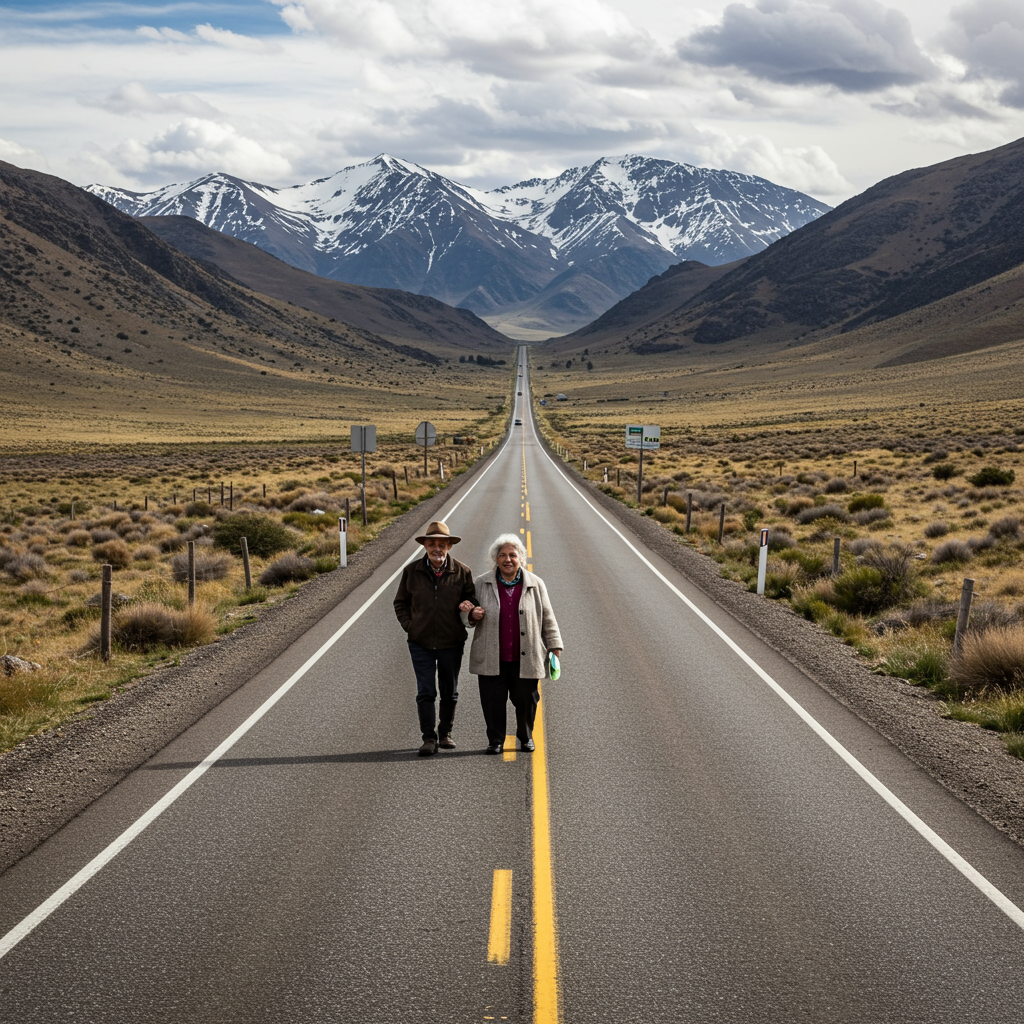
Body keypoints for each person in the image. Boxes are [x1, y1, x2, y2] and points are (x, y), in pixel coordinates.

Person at [466, 534, 562, 754]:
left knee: (527, 700)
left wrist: (554, 645)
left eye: (512, 555)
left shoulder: (535, 584)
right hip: (492, 656)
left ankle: (526, 737)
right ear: (496, 559)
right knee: (492, 701)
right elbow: (467, 616)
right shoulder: (481, 582)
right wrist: (472, 615)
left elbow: (547, 616)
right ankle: (496, 740)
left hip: (525, 657)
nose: (507, 559)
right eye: (502, 555)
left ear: (521, 558)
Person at [393, 520, 478, 756]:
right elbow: (400, 603)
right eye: (432, 544)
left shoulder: (462, 572)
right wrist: (411, 627)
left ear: (449, 546)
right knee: (426, 691)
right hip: (420, 643)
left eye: (442, 544)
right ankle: (428, 738)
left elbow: (472, 603)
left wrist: (470, 609)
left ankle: (445, 734)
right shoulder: (412, 571)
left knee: (449, 691)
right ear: (425, 546)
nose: (437, 548)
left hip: (452, 642)